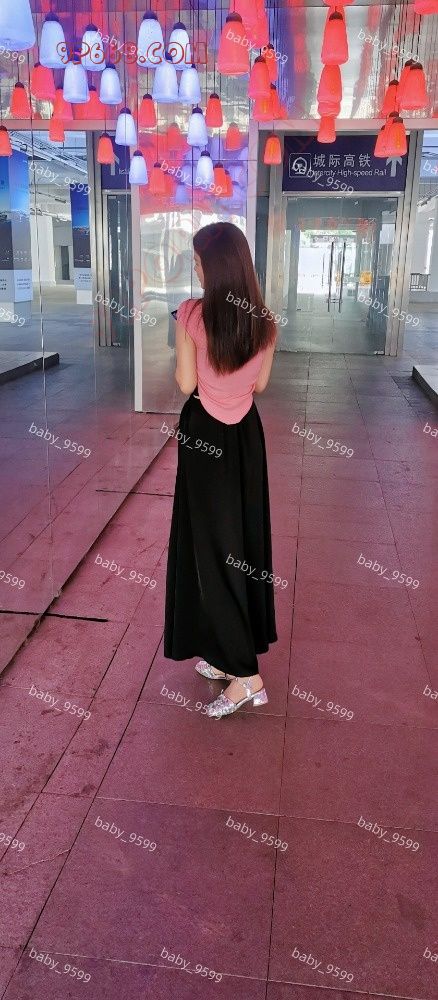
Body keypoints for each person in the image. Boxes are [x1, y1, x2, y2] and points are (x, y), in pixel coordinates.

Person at [164, 222, 277, 719]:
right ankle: (225, 652)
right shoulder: (264, 322)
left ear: (214, 266)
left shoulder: (191, 314)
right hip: (245, 439)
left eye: (197, 260)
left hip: (204, 436)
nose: (195, 268)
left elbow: (186, 383)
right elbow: (261, 386)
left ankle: (246, 676)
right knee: (241, 543)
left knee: (210, 548)